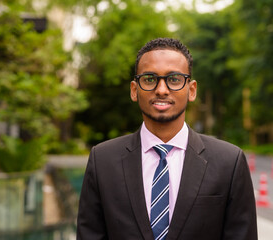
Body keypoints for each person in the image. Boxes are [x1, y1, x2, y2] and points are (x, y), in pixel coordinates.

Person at [76, 38, 257, 240]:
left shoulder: (229, 162)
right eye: (150, 79)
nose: (161, 90)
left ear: (192, 90)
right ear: (134, 90)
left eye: (174, 79)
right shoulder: (102, 161)